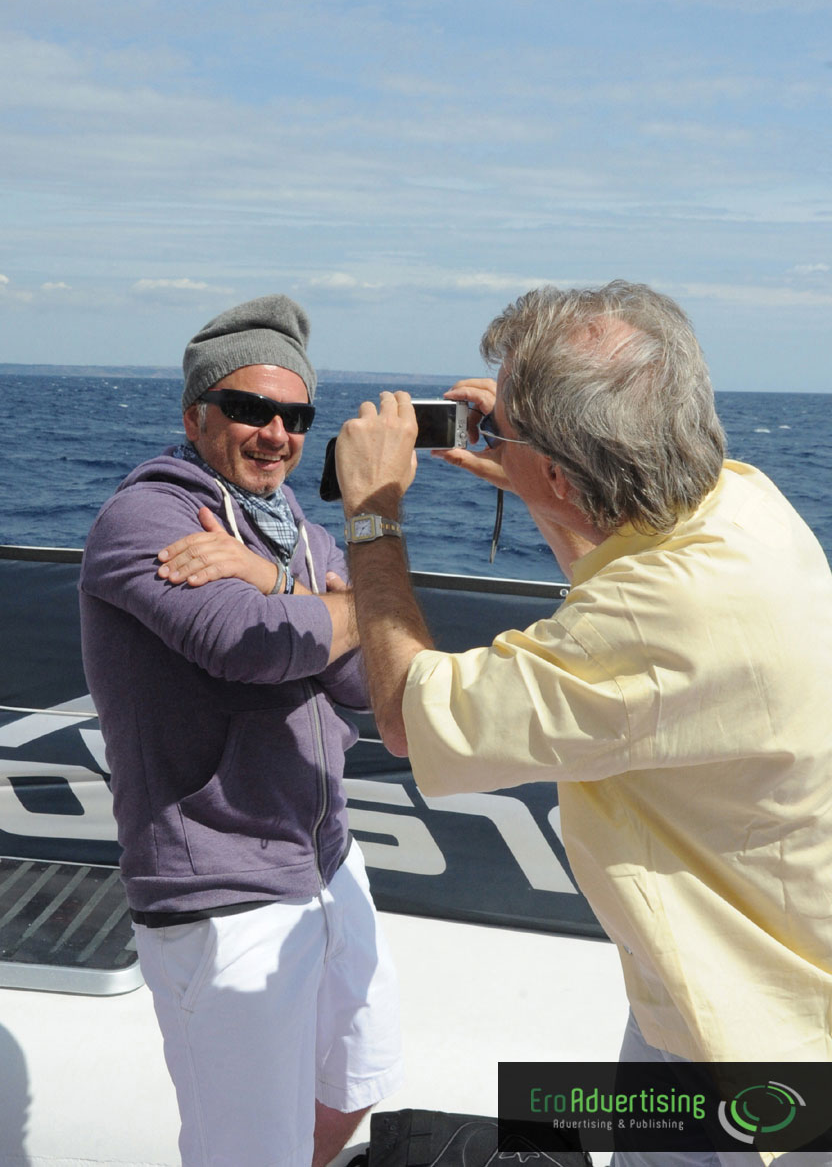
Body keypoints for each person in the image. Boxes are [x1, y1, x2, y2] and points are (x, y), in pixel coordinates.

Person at [332, 281, 832, 1163]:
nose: (493, 433)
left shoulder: (657, 619)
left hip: (752, 1054)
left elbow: (410, 713)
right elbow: (617, 589)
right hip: (704, 993)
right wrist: (538, 478)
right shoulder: (742, 503)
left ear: (566, 472)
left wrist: (373, 511)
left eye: (508, 429)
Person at [79, 295, 402, 1167]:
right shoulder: (147, 519)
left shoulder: (301, 535)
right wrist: (345, 608)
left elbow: (367, 682)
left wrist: (271, 580)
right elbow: (247, 645)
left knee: (358, 1078)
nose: (276, 432)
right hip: (221, 889)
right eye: (250, 407)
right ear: (195, 416)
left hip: (326, 860)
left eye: (295, 416)